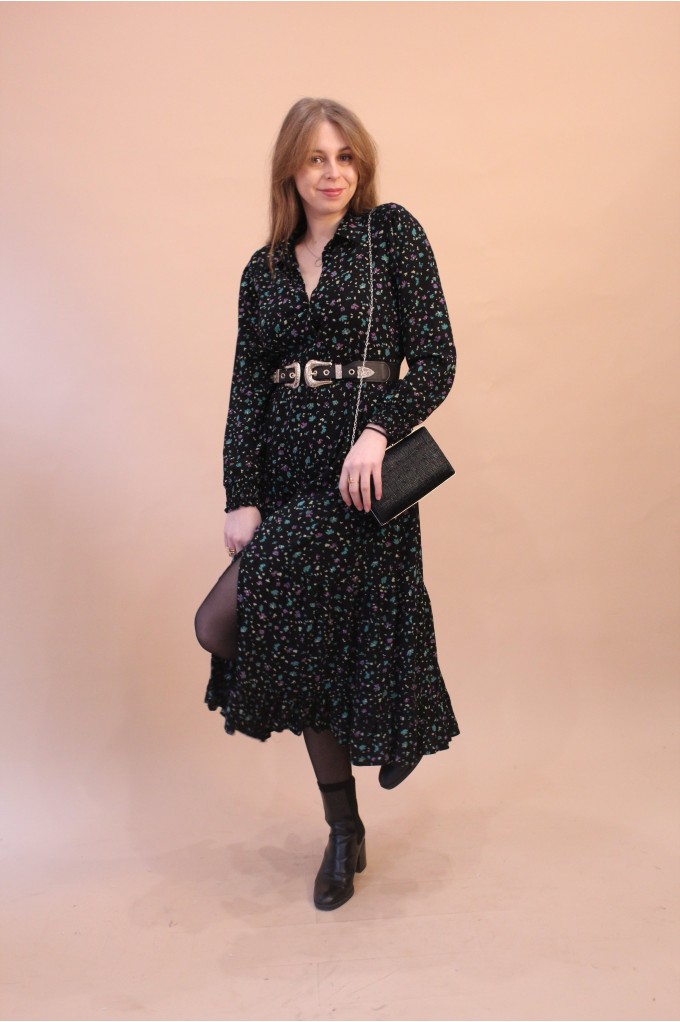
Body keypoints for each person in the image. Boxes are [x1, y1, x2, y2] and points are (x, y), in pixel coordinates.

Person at [195, 97, 459, 911]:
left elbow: (438, 359)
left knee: (236, 626)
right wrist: (242, 498)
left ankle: (399, 723)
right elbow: (246, 394)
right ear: (291, 169)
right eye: (315, 158)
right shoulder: (264, 269)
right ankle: (344, 830)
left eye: (345, 157)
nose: (332, 172)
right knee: (303, 651)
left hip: (361, 484)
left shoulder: (392, 238)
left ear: (361, 165)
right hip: (286, 477)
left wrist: (378, 431)